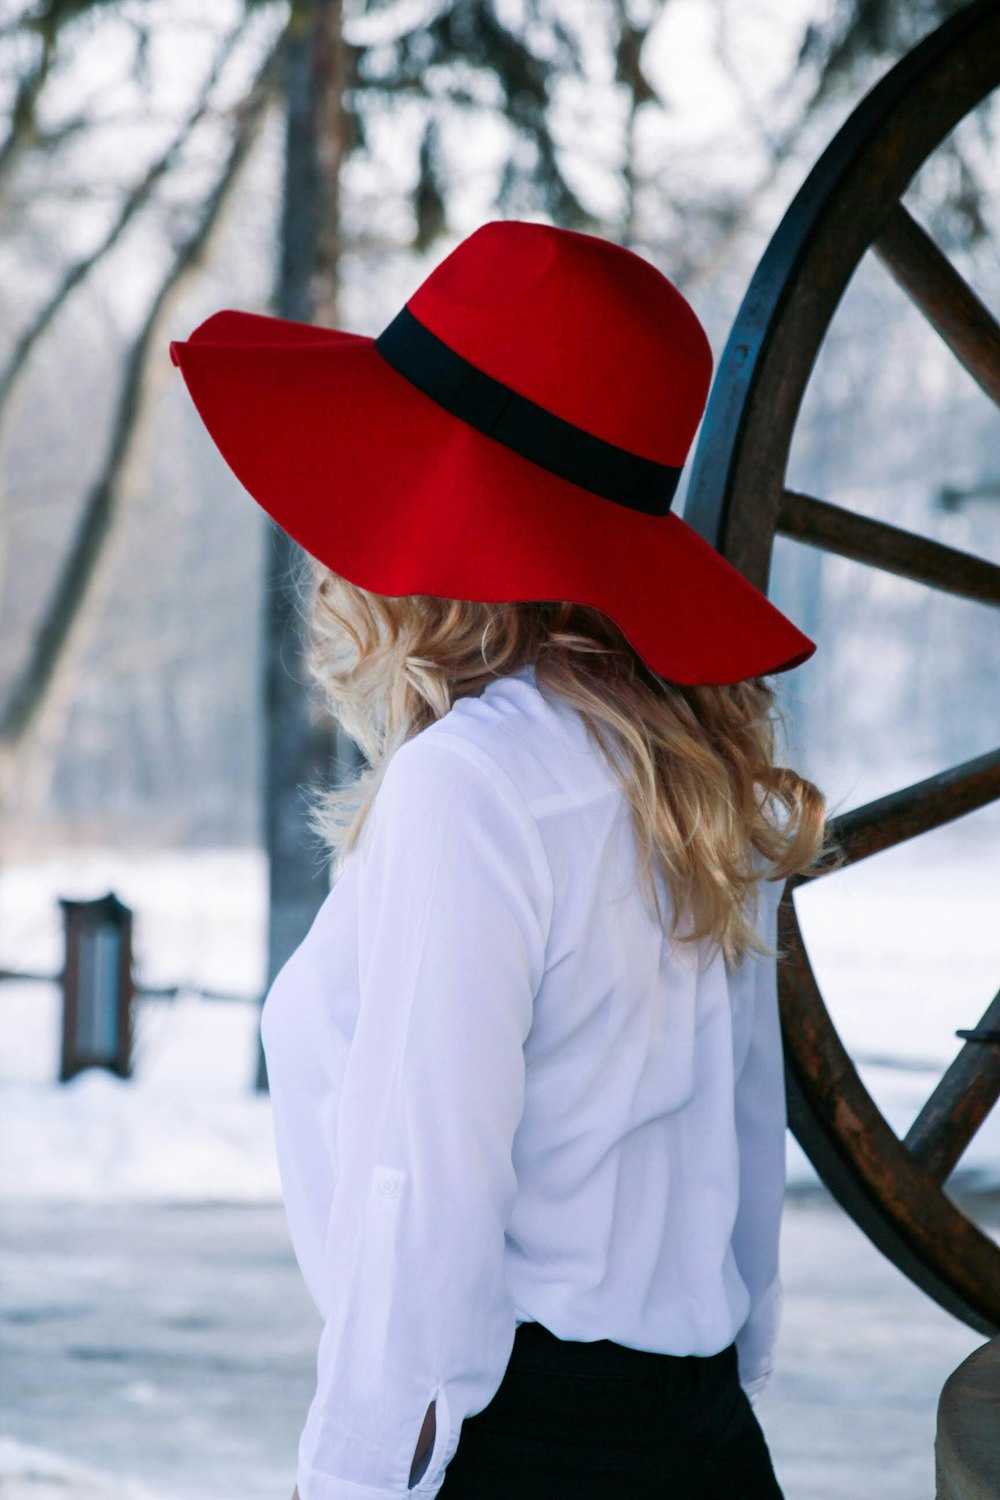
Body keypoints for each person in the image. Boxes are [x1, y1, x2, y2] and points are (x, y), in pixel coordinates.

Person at [169, 219, 836, 1500]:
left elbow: (422, 1195)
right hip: (701, 1449)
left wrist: (356, 1475)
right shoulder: (699, 777)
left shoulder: (471, 788)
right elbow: (748, 1154)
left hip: (503, 1446)